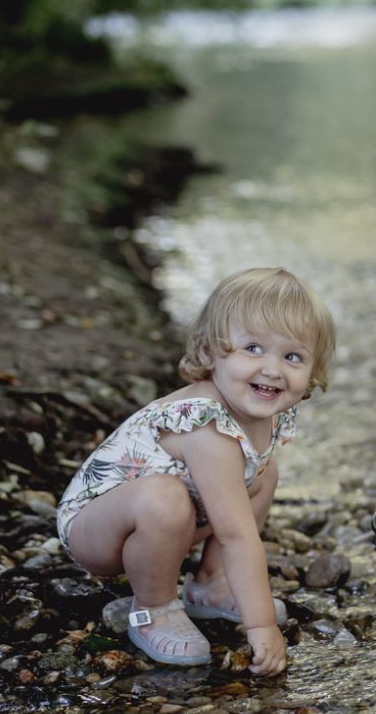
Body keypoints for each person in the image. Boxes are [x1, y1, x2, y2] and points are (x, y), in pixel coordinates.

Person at [57, 267, 336, 674]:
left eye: (292, 356)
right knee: (164, 499)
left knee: (264, 473)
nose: (273, 369)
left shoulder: (261, 414)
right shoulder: (206, 424)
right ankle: (153, 607)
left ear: (312, 369)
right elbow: (235, 533)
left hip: (173, 518)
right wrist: (260, 625)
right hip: (96, 530)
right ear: (209, 353)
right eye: (253, 348)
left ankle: (210, 583)